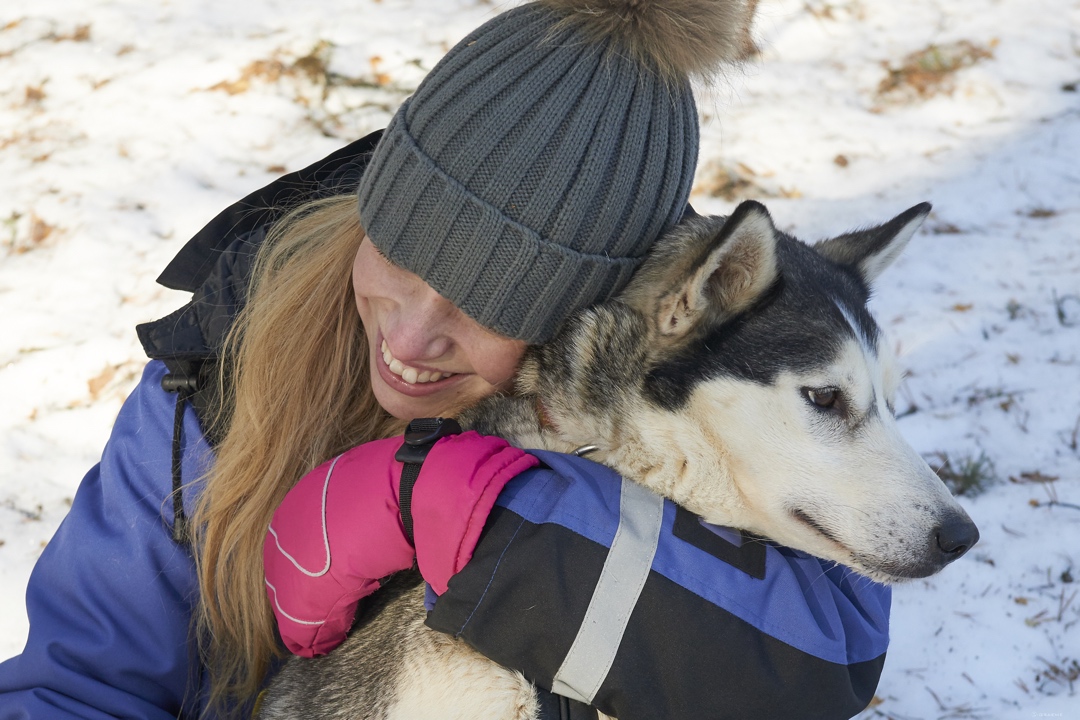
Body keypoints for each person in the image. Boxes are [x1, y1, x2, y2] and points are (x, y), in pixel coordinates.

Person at [0, 1, 889, 719]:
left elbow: (825, 652)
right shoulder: (217, 374)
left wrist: (477, 512)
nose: (413, 336)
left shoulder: (685, 385)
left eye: (490, 306)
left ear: (593, 319)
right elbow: (80, 684)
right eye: (402, 256)